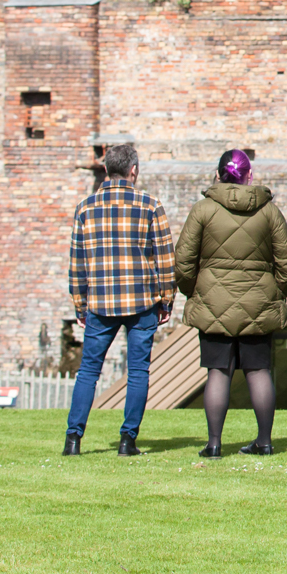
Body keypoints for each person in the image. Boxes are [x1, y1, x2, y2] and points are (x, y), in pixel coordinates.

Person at [174, 148, 287, 458]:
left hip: (213, 303)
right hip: (258, 303)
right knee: (258, 371)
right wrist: (275, 293)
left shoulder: (202, 210)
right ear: (249, 175)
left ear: (218, 175)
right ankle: (264, 442)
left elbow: (183, 262)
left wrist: (195, 292)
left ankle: (214, 445)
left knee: (218, 371)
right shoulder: (269, 212)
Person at [63, 141, 174, 457]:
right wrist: (167, 300)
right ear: (133, 170)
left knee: (88, 371)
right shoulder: (150, 205)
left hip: (100, 303)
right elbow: (166, 259)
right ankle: (128, 440)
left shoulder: (85, 208)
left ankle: (73, 439)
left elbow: (77, 263)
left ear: (105, 169)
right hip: (142, 302)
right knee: (138, 372)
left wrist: (80, 306)